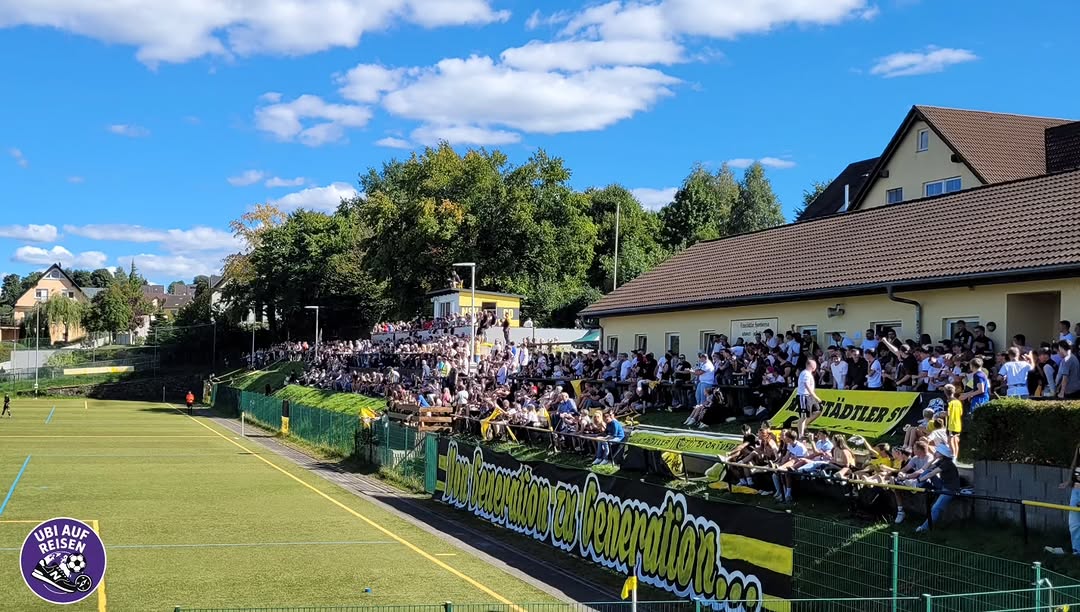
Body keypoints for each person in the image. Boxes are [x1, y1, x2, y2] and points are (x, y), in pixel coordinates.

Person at [796, 360, 823, 439]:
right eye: (814, 365)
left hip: (809, 397)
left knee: (817, 411)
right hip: (804, 396)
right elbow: (807, 386)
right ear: (812, 366)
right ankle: (801, 435)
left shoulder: (808, 374)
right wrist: (815, 396)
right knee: (803, 416)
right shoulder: (806, 374)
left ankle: (804, 425)